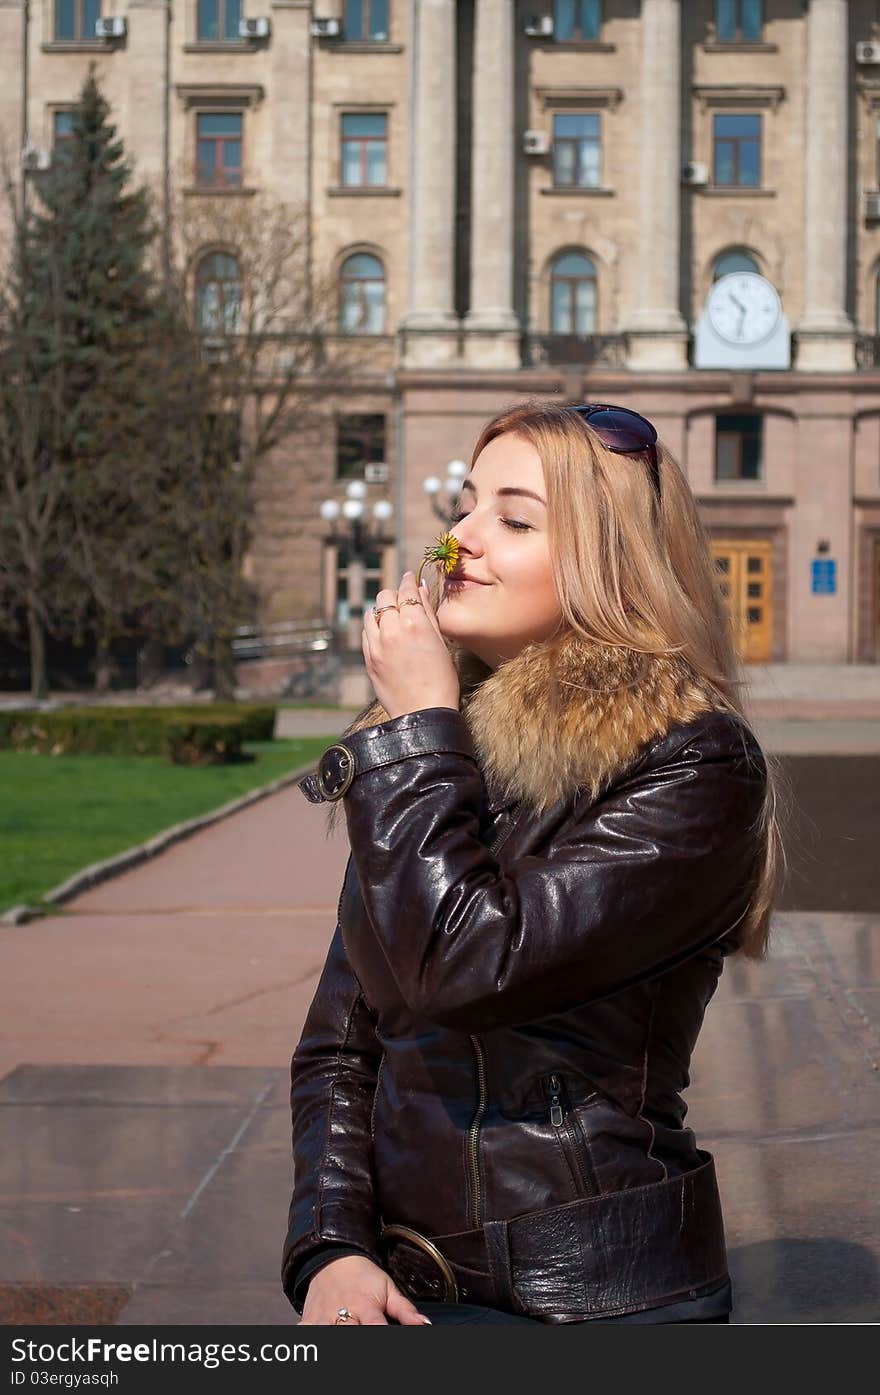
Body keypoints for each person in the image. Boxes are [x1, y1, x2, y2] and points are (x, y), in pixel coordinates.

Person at [281, 400, 785, 1326]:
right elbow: (341, 1046)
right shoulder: (445, 748)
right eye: (466, 505)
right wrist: (333, 1247)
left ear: (610, 565)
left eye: (512, 519)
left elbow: (464, 968)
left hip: (593, 1294)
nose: (458, 538)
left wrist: (419, 734)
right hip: (407, 1282)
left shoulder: (694, 763)